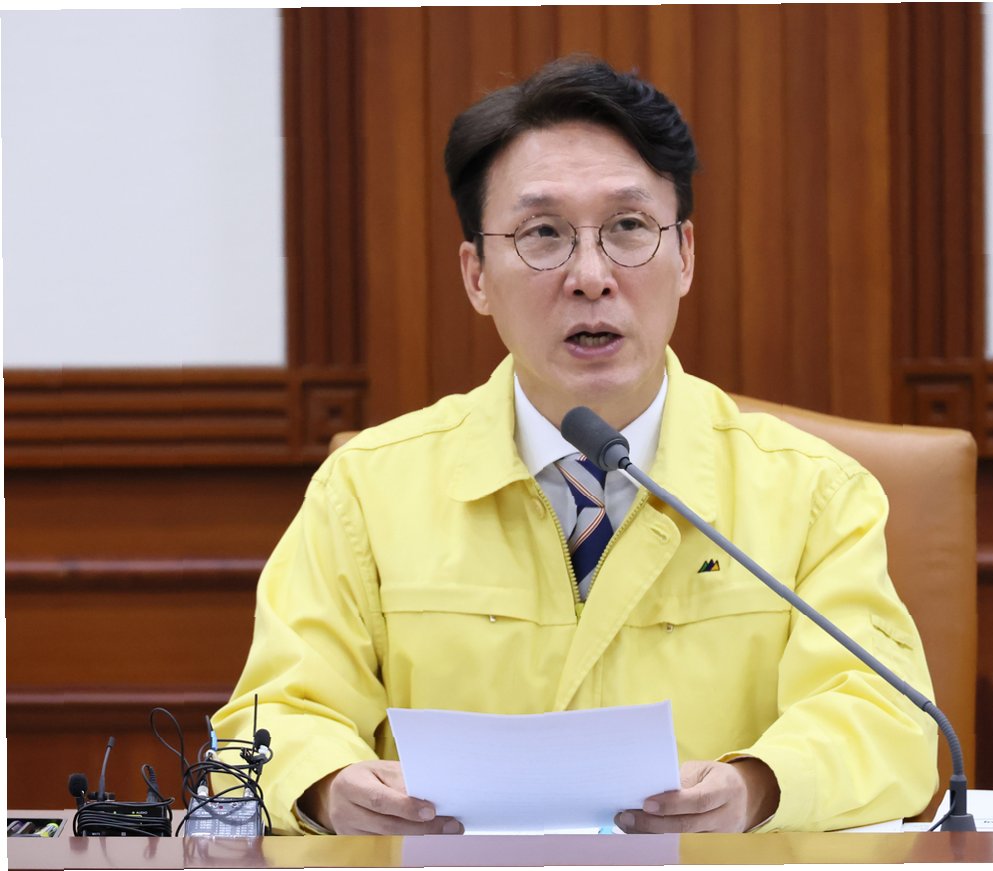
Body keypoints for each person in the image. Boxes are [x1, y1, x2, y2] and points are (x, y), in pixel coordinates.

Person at [211, 55, 938, 836]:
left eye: (628, 228)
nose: (591, 276)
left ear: (685, 256)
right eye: (543, 234)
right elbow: (274, 717)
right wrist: (326, 787)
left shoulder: (814, 492)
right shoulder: (365, 491)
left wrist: (757, 787)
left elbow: (885, 718)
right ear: (476, 276)